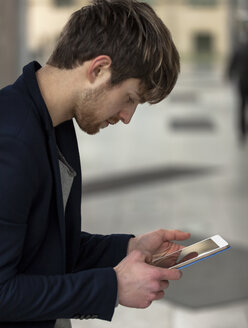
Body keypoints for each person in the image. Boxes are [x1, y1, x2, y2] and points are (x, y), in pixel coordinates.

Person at [0, 0, 190, 327]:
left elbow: (46, 248)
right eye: (130, 98)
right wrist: (113, 286)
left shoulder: (52, 123)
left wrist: (129, 247)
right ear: (98, 69)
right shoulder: (12, 140)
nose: (127, 117)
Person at [228, 27, 248, 142]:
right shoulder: (240, 48)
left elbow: (232, 63)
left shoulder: (240, 48)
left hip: (242, 81)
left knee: (242, 106)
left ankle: (242, 131)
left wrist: (230, 75)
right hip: (243, 81)